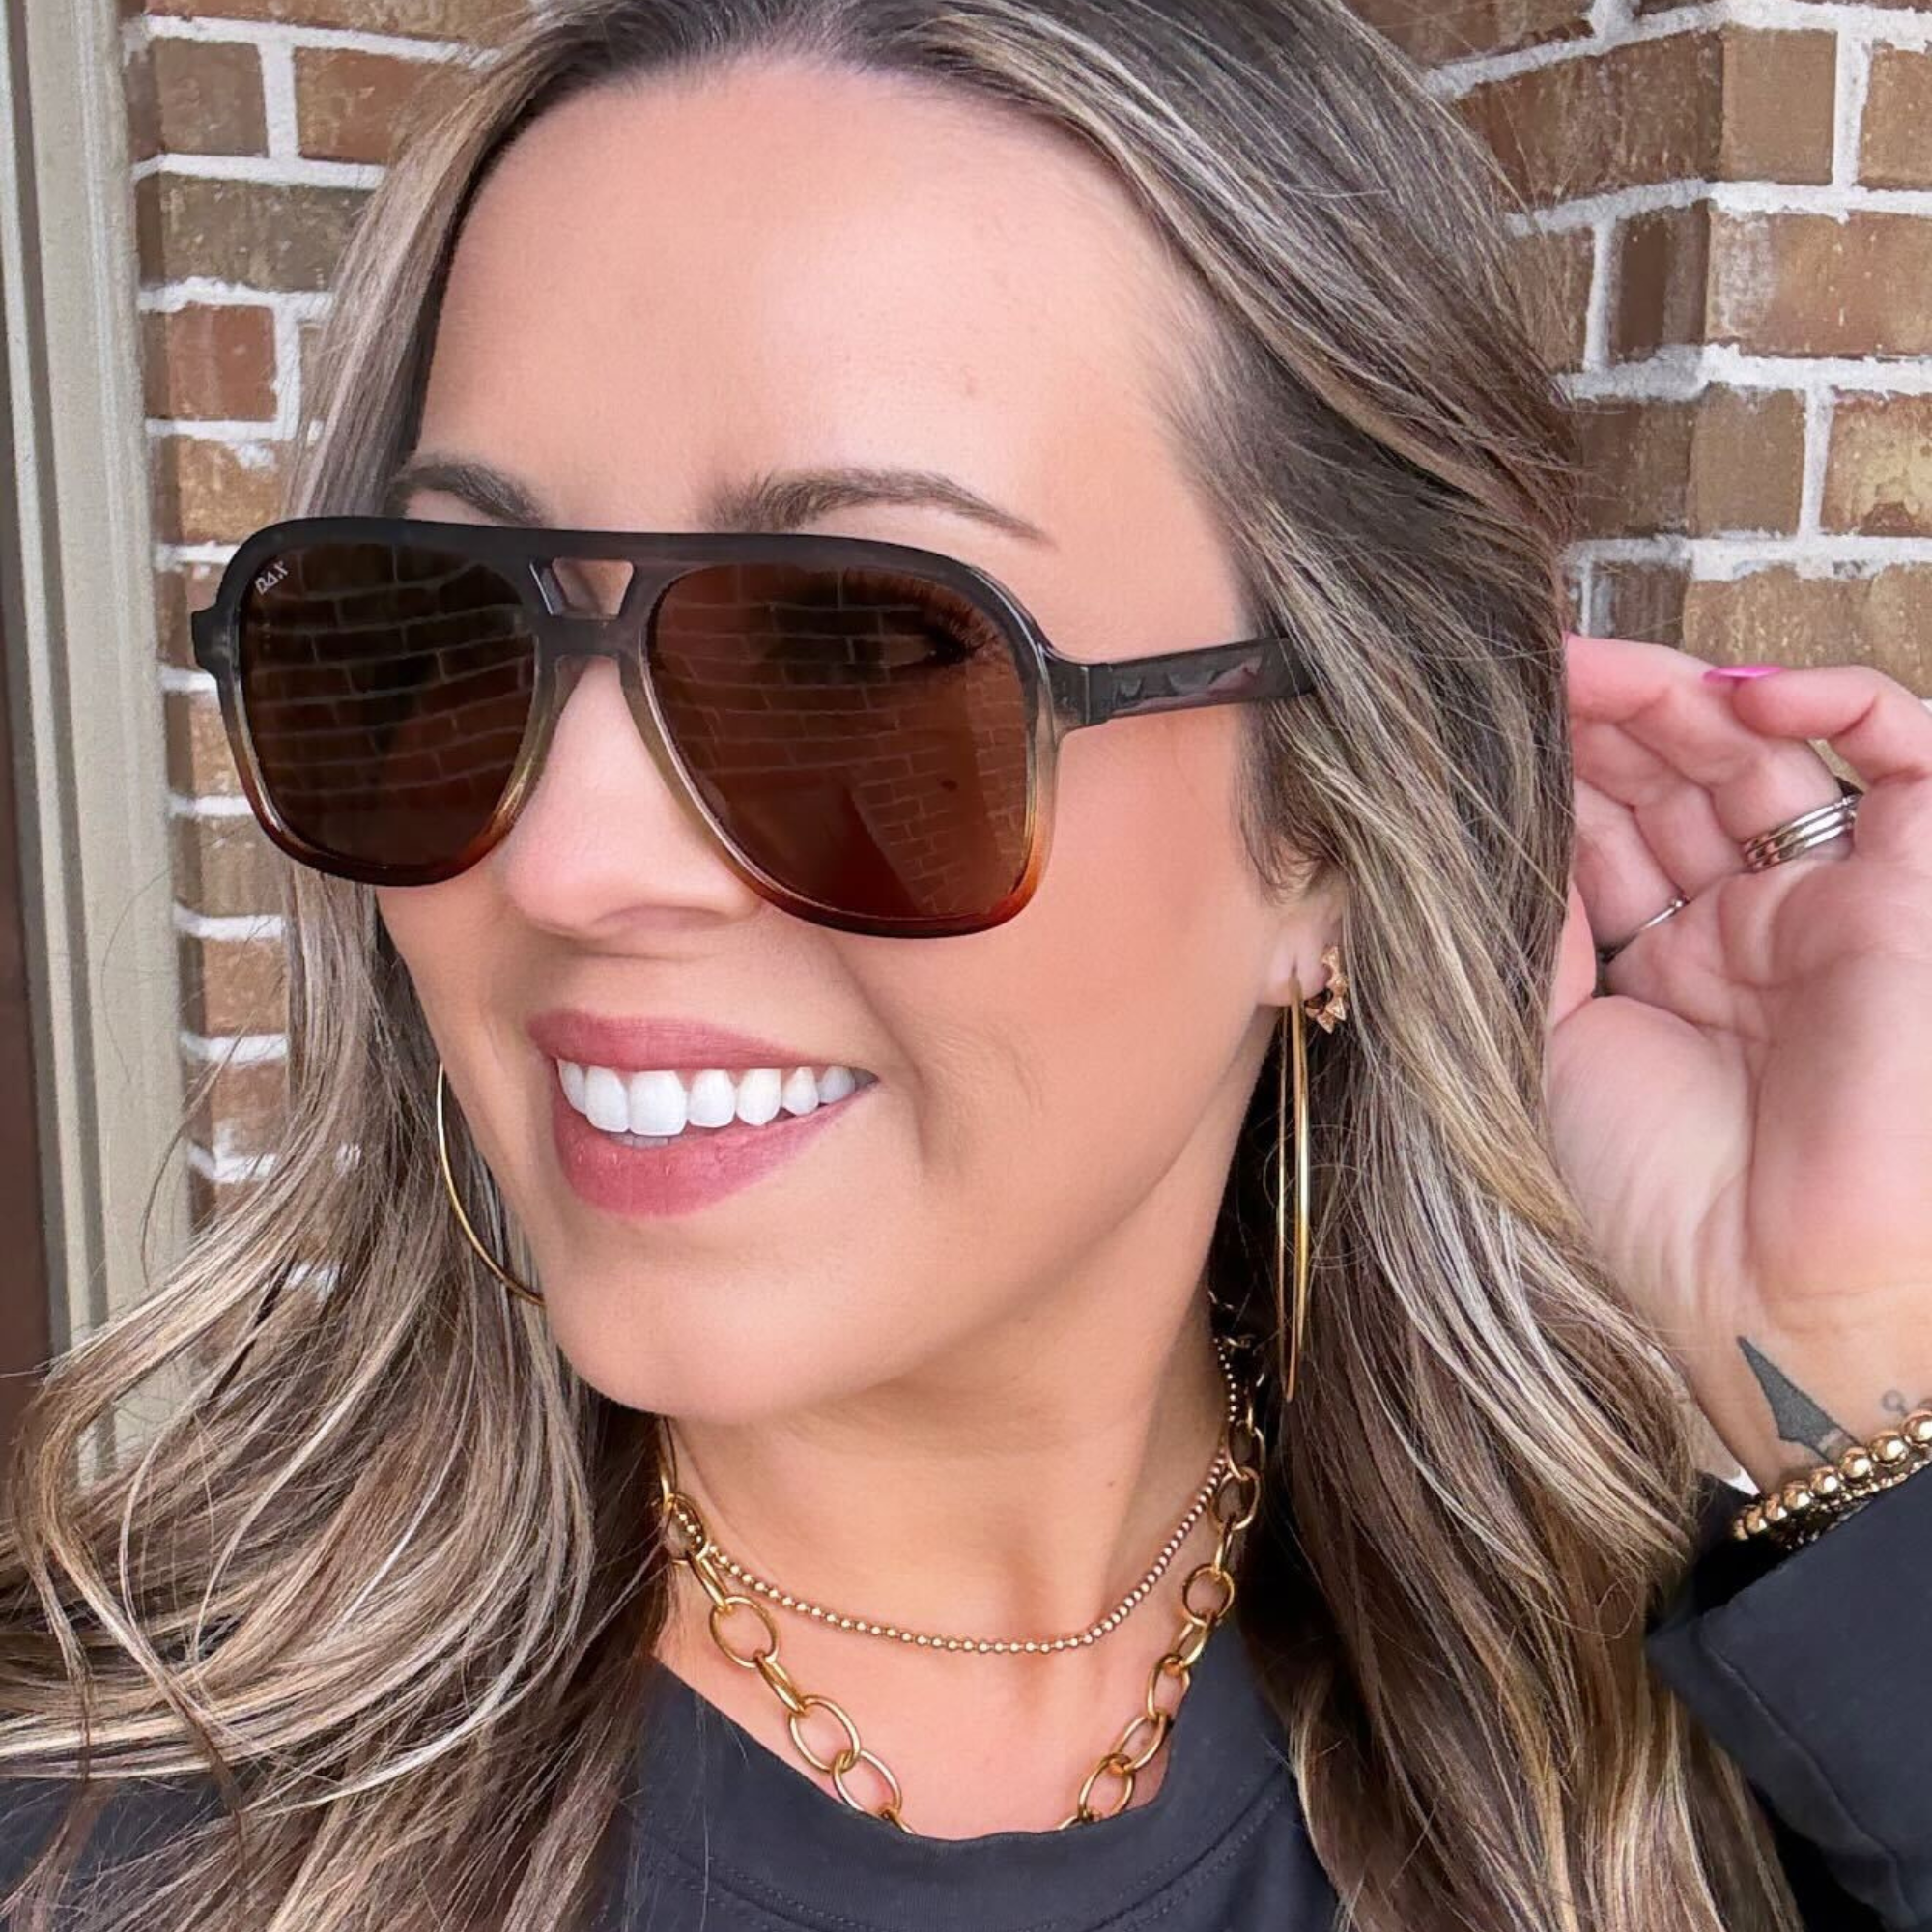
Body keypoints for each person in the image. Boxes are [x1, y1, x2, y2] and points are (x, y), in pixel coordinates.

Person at [2, 1, 1929, 1927]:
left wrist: (1839, 1390)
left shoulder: (1736, 1741)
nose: (567, 859)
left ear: (1335, 828)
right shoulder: (97, 1844)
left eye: (857, 656)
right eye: (453, 628)